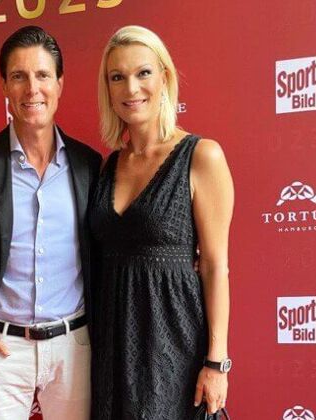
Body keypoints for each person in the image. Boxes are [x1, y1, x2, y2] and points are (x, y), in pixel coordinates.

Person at [0, 26, 101, 420]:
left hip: (74, 346)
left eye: (43, 75)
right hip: (0, 349)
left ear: (59, 83)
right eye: (18, 76)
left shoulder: (89, 165)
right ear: (4, 87)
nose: (32, 89)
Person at [89, 25, 234, 419]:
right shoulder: (108, 166)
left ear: (165, 78)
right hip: (113, 347)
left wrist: (217, 362)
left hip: (174, 347)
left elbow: (215, 266)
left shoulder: (201, 156)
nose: (131, 87)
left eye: (143, 73)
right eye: (117, 77)